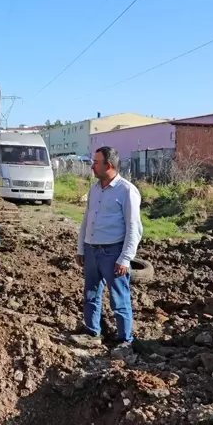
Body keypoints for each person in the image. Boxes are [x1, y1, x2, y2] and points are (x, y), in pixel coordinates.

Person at [71, 146, 143, 355]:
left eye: (95, 162)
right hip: (92, 250)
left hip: (113, 253)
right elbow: (87, 219)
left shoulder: (127, 191)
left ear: (108, 166)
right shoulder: (94, 189)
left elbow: (134, 228)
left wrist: (125, 258)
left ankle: (125, 340)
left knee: (119, 297)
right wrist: (81, 248)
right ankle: (92, 332)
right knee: (91, 293)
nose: (92, 166)